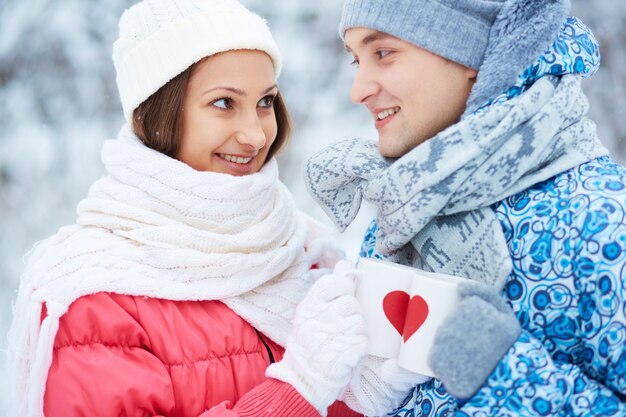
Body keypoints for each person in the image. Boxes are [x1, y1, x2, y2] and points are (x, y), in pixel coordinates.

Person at [6, 0, 370, 416]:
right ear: (160, 110)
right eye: (223, 103)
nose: (254, 135)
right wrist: (299, 388)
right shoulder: (98, 296)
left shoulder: (301, 247)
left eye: (265, 102)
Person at [305, 0, 626, 415]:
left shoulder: (603, 221)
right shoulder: (407, 214)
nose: (358, 90)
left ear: (472, 53)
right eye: (356, 60)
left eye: (382, 53)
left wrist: (503, 377)